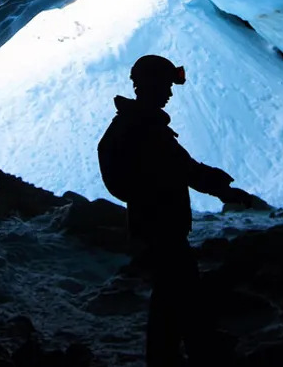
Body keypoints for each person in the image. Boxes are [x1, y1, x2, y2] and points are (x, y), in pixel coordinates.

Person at [97, 54, 253, 366]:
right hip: (161, 223)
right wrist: (222, 187)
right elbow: (182, 168)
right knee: (181, 291)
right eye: (166, 85)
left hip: (151, 221)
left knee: (171, 293)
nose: (169, 92)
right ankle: (195, 351)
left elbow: (177, 168)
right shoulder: (145, 127)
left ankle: (172, 353)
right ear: (150, 85)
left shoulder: (135, 122)